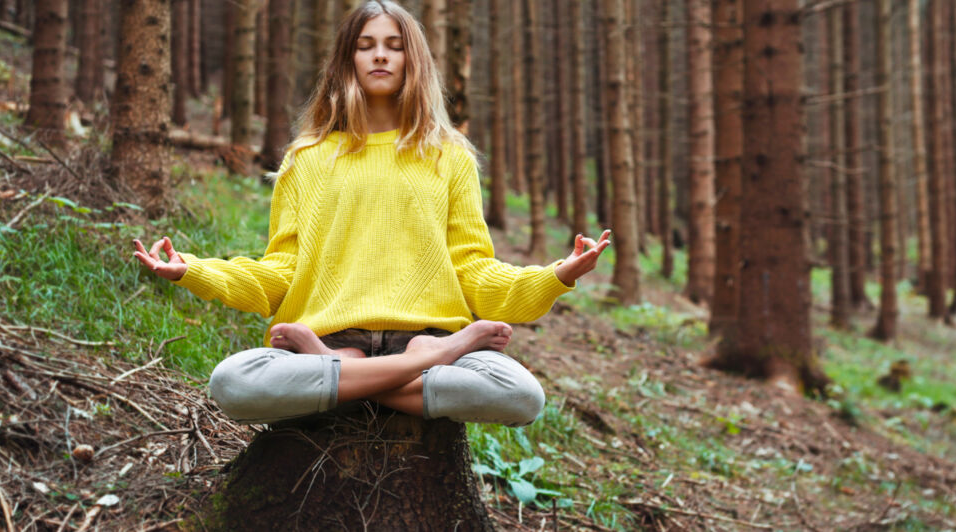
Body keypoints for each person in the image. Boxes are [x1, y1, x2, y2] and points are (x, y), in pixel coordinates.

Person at [131, 0, 609, 427]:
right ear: (348, 60)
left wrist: (555, 276)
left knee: (521, 395)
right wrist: (192, 270)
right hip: (358, 343)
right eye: (366, 45)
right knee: (232, 381)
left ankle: (350, 378)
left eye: (394, 46)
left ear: (412, 60)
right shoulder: (307, 158)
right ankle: (395, 366)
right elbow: (280, 273)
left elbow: (473, 271)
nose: (380, 55)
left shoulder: (449, 157)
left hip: (411, 341)